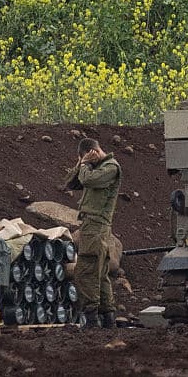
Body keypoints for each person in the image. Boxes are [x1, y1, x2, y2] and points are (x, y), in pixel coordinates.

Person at [71, 137, 122, 328]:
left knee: (87, 272)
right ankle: (108, 321)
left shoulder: (110, 167)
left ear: (92, 152)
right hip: (93, 227)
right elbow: (73, 183)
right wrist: (81, 163)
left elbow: (88, 180)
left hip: (96, 226)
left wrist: (85, 164)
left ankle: (92, 322)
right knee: (100, 275)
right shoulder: (94, 167)